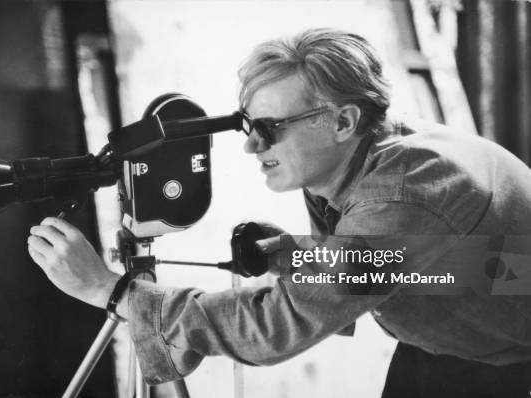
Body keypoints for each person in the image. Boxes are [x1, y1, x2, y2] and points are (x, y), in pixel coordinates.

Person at [27, 28, 531, 397]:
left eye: (269, 128)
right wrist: (297, 257)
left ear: (341, 120)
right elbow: (409, 267)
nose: (251, 147)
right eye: (248, 125)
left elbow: (278, 323)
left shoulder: (400, 196)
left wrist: (110, 291)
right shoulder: (357, 159)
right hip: (462, 325)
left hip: (507, 365)